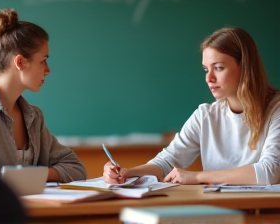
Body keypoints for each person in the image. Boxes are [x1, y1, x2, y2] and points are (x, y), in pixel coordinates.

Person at [103, 27, 280, 186]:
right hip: (218, 211)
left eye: (218, 68)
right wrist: (126, 173)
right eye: (206, 69)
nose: (209, 78)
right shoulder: (206, 116)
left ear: (245, 67)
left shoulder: (275, 110)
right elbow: (166, 162)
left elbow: (269, 172)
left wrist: (198, 177)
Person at [0, 9, 87, 183]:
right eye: (43, 61)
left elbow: (76, 168)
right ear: (20, 62)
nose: (48, 70)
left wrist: (28, 177)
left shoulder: (33, 118)